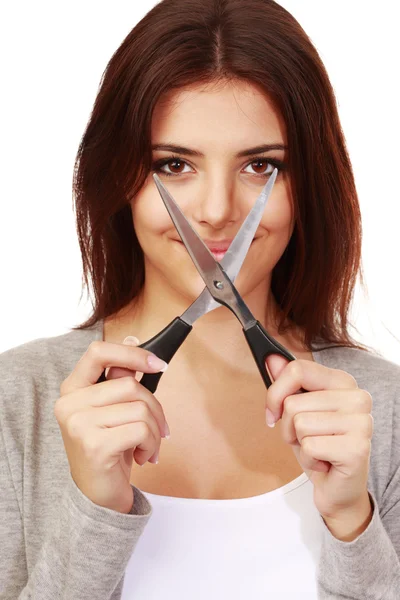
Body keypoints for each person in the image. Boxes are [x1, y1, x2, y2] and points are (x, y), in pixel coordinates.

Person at [1, 0, 399, 598]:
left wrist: (352, 522)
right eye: (176, 164)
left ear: (310, 186)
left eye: (261, 166)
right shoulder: (18, 402)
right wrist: (93, 513)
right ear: (119, 180)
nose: (216, 212)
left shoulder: (383, 412)